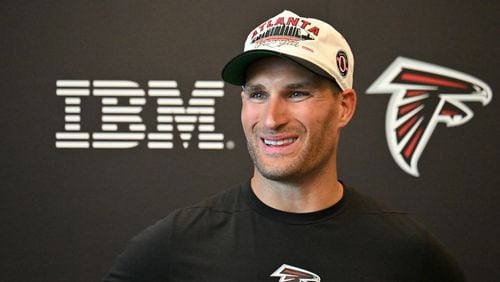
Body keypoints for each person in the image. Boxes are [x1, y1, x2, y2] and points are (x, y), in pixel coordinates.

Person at [103, 10, 465, 282]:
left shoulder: (406, 254)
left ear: (344, 107)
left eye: (296, 93)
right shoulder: (177, 245)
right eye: (258, 94)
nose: (272, 117)